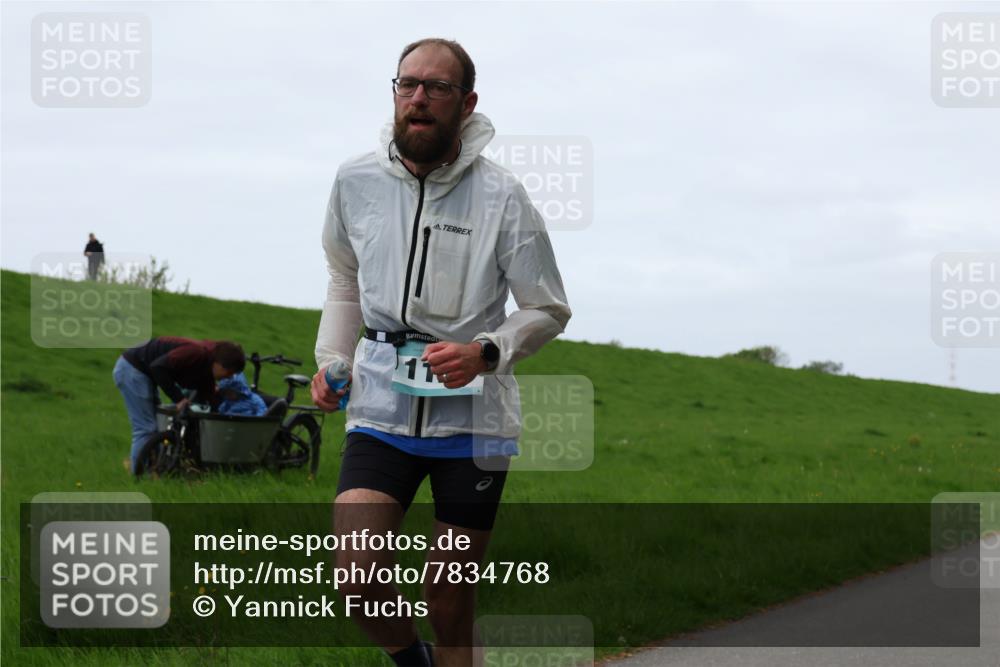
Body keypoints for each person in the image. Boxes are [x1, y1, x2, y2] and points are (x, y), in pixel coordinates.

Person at [311, 38, 571, 667]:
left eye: (436, 88)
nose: (419, 99)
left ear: (467, 102)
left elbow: (547, 307)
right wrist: (332, 360)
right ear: (395, 93)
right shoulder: (355, 181)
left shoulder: (503, 196)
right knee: (357, 575)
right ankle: (415, 663)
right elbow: (345, 278)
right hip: (380, 411)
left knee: (449, 595)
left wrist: (487, 351)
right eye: (408, 85)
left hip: (472, 421)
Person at [113, 337, 246, 472]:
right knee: (146, 428)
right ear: (220, 364)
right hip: (132, 369)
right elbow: (158, 367)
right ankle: (138, 477)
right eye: (230, 373)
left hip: (142, 372)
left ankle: (152, 470)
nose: (229, 377)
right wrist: (179, 399)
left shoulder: (208, 363)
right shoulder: (196, 353)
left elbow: (208, 393)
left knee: (155, 425)